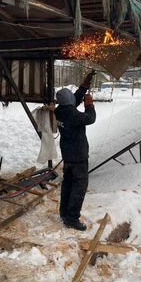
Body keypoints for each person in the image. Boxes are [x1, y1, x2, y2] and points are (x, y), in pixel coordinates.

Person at [55, 72, 96, 231]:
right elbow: (90, 118)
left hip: (68, 155)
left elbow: (74, 100)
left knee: (68, 184)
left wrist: (84, 86)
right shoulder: (73, 115)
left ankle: (64, 212)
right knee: (79, 186)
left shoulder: (60, 111)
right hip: (78, 157)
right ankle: (72, 218)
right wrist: (89, 105)